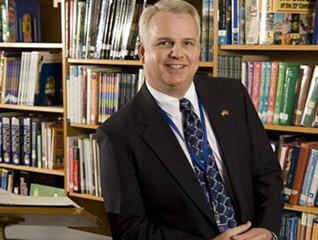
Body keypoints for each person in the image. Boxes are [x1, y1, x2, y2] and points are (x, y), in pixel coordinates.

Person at [96, 0, 284, 239]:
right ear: (143, 52)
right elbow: (130, 230)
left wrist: (267, 229)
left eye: (187, 43)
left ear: (197, 49)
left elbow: (267, 171)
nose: (178, 53)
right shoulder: (118, 134)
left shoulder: (233, 95)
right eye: (165, 43)